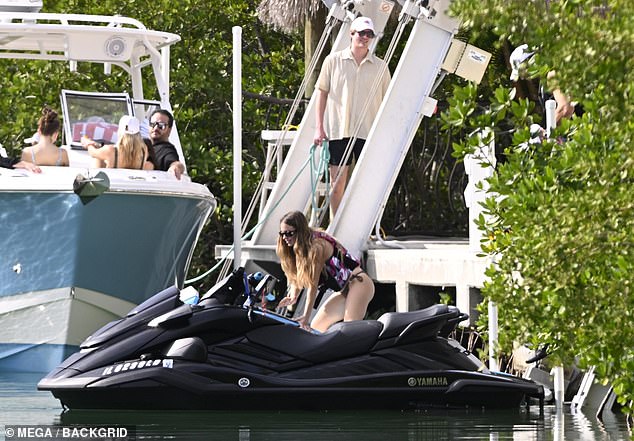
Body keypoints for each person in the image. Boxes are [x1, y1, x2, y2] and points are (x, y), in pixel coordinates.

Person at [313, 16, 391, 216]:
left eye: (369, 34)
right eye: (361, 33)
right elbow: (321, 94)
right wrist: (319, 128)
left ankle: (363, 227)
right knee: (337, 183)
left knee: (367, 185)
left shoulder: (381, 67)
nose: (364, 38)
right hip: (339, 130)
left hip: (368, 131)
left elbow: (387, 102)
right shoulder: (333, 61)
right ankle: (336, 227)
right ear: (351, 34)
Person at [276, 210, 375, 332]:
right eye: (282, 233)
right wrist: (293, 296)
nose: (285, 237)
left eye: (289, 233)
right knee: (317, 327)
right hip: (344, 291)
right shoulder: (301, 247)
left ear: (300, 232)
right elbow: (297, 275)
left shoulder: (316, 247)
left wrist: (306, 318)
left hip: (359, 283)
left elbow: (313, 286)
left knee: (350, 330)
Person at [82, 115, 153, 170]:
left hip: (115, 185)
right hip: (133, 186)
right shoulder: (144, 150)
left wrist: (88, 143)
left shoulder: (111, 150)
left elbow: (93, 153)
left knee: (97, 159)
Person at [148, 109, 185, 179]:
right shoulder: (143, 146)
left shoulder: (167, 149)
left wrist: (176, 167)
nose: (155, 128)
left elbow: (175, 163)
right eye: (153, 124)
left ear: (169, 130)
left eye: (161, 126)